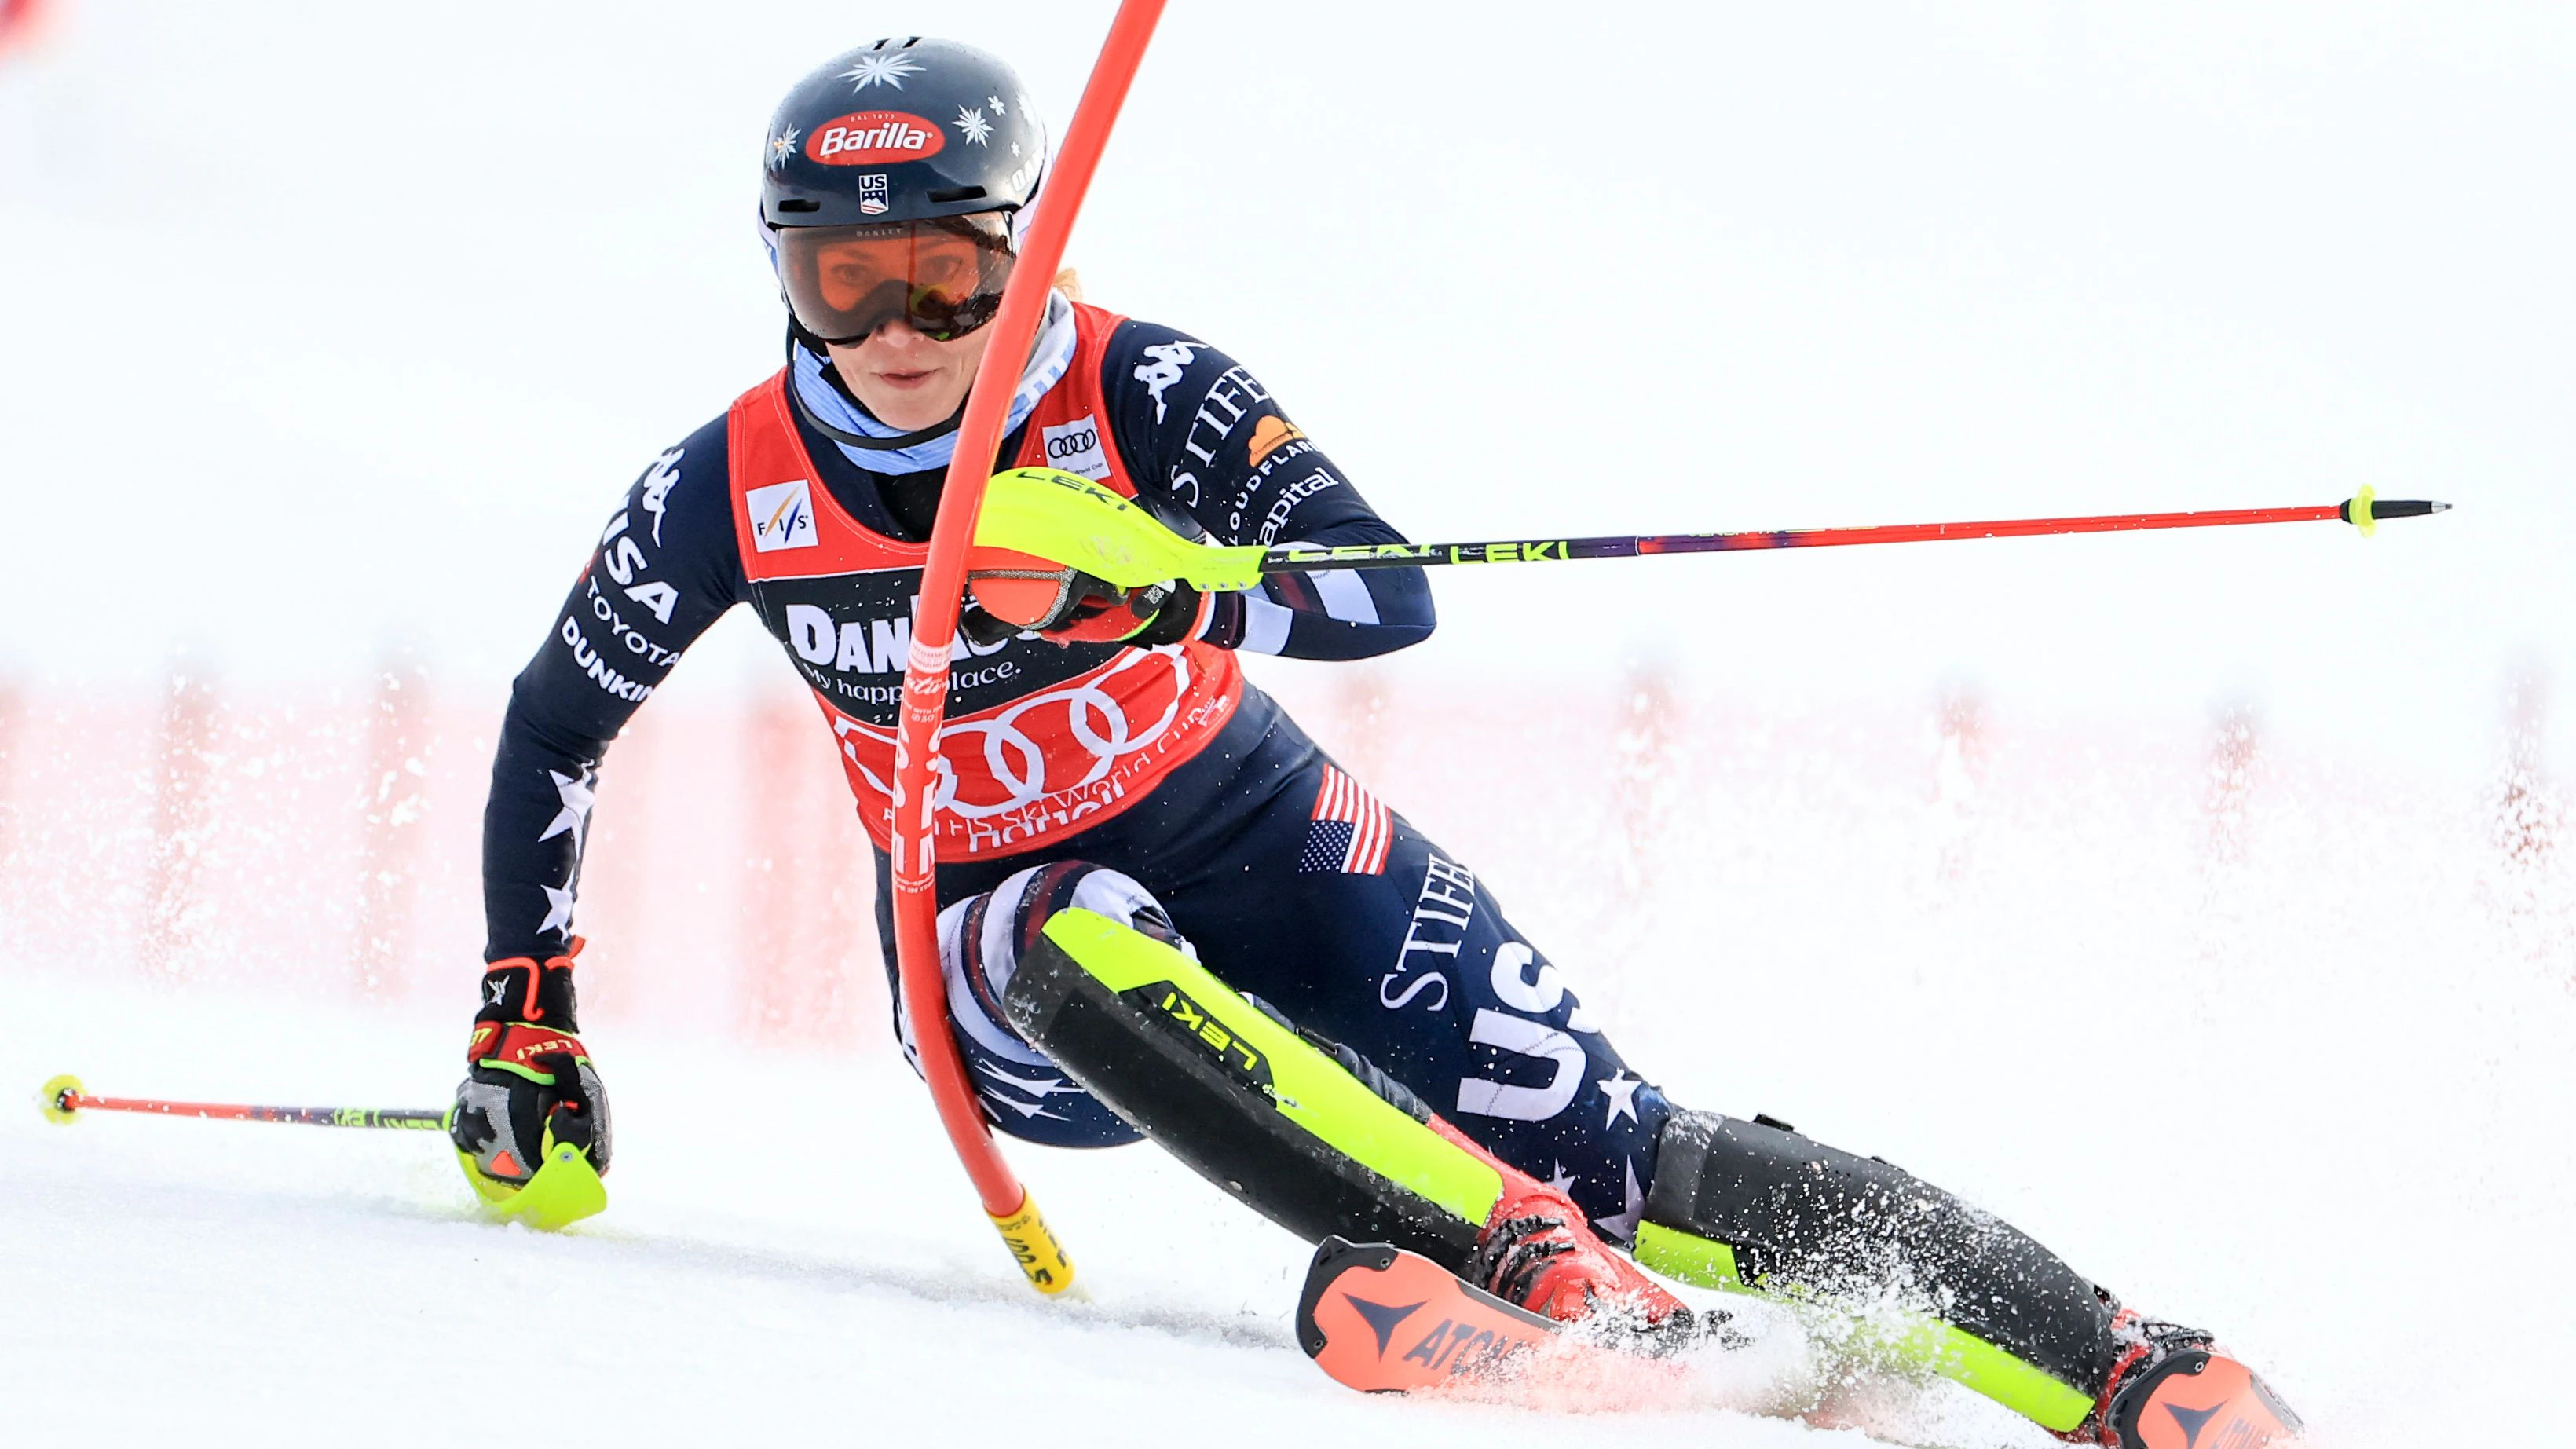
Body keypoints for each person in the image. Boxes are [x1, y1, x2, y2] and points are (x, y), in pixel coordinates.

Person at [447, 37, 2298, 1449]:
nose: (900, 325)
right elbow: (555, 720)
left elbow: (1379, 592)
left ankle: (2112, 1364)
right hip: (1006, 952)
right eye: (842, 282)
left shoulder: (1135, 385)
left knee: (1613, 1135)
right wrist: (522, 1007)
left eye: (946, 270)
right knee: (1056, 926)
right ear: (781, 271)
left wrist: (1136, 585)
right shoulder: (731, 486)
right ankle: (1533, 1280)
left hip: (1263, 828)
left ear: (1025, 249)